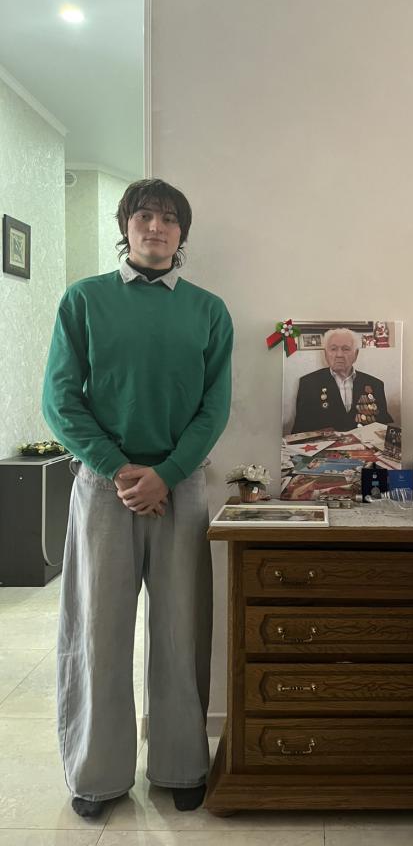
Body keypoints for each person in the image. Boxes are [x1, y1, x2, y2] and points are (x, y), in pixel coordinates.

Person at [42, 179, 233, 819]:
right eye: (144, 216)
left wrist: (166, 474)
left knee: (181, 629)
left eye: (170, 219)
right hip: (105, 487)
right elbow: (60, 399)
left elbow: (214, 408)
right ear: (125, 226)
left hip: (182, 485)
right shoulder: (84, 300)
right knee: (98, 631)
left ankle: (182, 764)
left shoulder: (209, 311)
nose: (156, 227)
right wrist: (121, 470)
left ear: (183, 233)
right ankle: (96, 774)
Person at [290, 327, 393, 433]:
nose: (339, 355)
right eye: (333, 349)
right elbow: (300, 431)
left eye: (346, 349)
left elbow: (383, 427)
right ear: (325, 354)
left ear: (356, 354)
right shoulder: (308, 384)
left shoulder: (375, 385)